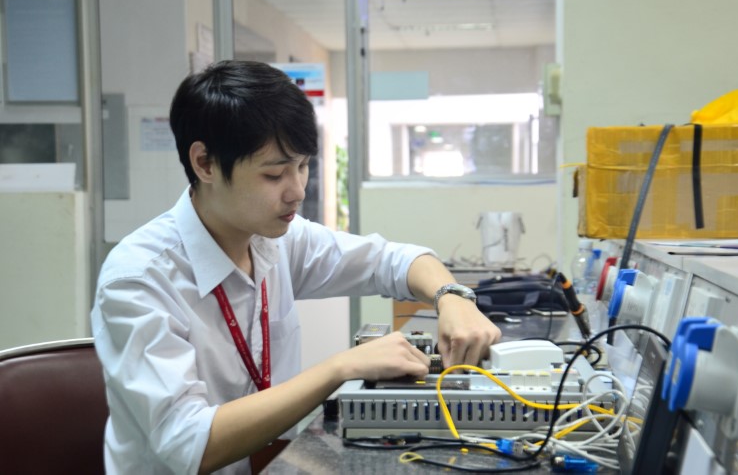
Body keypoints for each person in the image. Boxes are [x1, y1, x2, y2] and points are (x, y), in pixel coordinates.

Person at [91, 60, 502, 475]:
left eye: (303, 166)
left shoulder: (275, 240)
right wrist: (341, 368)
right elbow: (190, 445)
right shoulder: (139, 278)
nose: (297, 191)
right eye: (274, 174)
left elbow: (390, 261)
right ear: (205, 163)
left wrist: (453, 297)